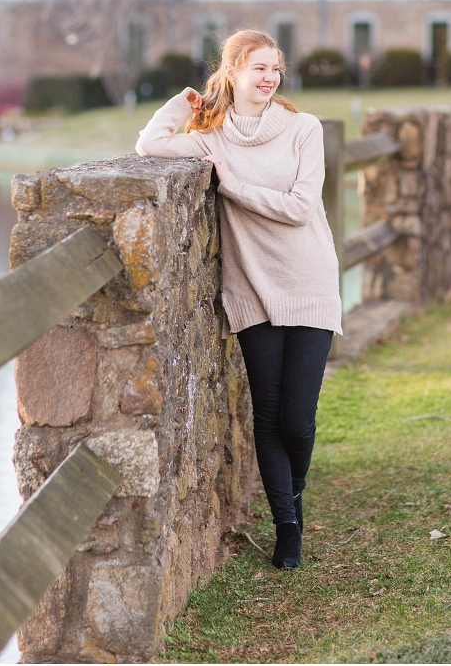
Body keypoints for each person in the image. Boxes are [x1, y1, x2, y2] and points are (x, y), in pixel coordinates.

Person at [136, 29, 342, 569]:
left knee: (298, 420)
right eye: (258, 68)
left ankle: (293, 498)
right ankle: (287, 526)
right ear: (232, 72)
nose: (270, 78)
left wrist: (232, 187)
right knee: (268, 417)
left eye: (275, 68)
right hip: (252, 286)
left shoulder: (304, 129)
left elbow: (299, 208)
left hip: (310, 281)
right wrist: (183, 102)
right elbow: (148, 147)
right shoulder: (212, 136)